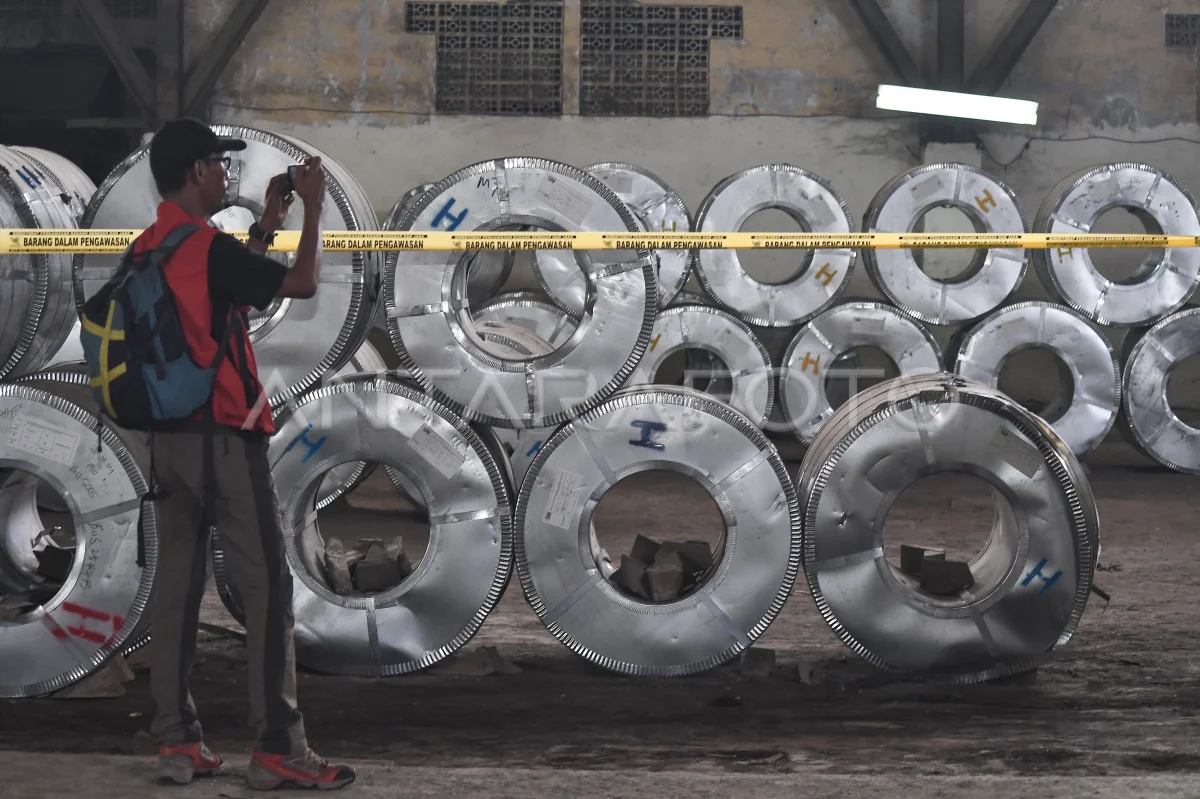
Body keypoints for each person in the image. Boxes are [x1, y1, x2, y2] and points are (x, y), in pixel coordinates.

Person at [137, 118, 355, 791]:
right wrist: (313, 209)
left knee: (176, 589)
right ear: (197, 172)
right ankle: (279, 747)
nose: (226, 172)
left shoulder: (150, 245)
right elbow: (302, 283)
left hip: (166, 442)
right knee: (266, 588)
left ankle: (176, 742)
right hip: (222, 438)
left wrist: (265, 224)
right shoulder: (206, 247)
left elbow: (225, 297)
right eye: (219, 163)